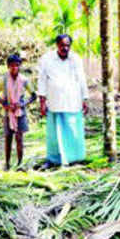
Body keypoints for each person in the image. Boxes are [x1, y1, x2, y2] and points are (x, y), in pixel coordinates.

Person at [37, 34, 89, 169]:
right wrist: (42, 102)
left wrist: (85, 98)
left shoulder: (76, 59)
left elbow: (82, 79)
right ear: (57, 45)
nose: (65, 48)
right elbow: (42, 81)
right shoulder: (47, 59)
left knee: (73, 130)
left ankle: (75, 158)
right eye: (62, 45)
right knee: (54, 133)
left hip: (73, 101)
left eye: (67, 45)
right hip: (55, 102)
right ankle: (54, 159)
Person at [0, 54, 36, 170]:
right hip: (7, 113)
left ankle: (20, 163)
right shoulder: (3, 80)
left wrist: (23, 104)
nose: (14, 68)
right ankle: (7, 163)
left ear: (20, 66)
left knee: (19, 138)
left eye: (16, 66)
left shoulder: (24, 80)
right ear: (8, 66)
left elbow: (33, 95)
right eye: (11, 66)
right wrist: (5, 104)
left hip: (20, 113)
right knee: (8, 138)